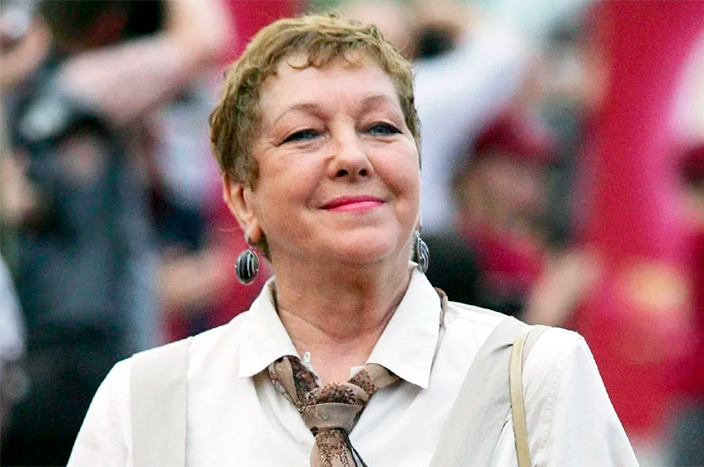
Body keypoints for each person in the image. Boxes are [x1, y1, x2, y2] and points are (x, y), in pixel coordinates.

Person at [68, 13, 638, 467]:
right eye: (305, 134)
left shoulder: (538, 377)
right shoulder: (144, 402)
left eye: (381, 128)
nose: (352, 156)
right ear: (242, 198)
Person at [0, 0, 231, 465]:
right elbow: (204, 39)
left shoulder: (30, 93)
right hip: (93, 359)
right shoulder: (78, 85)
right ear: (110, 22)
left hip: (36, 362)